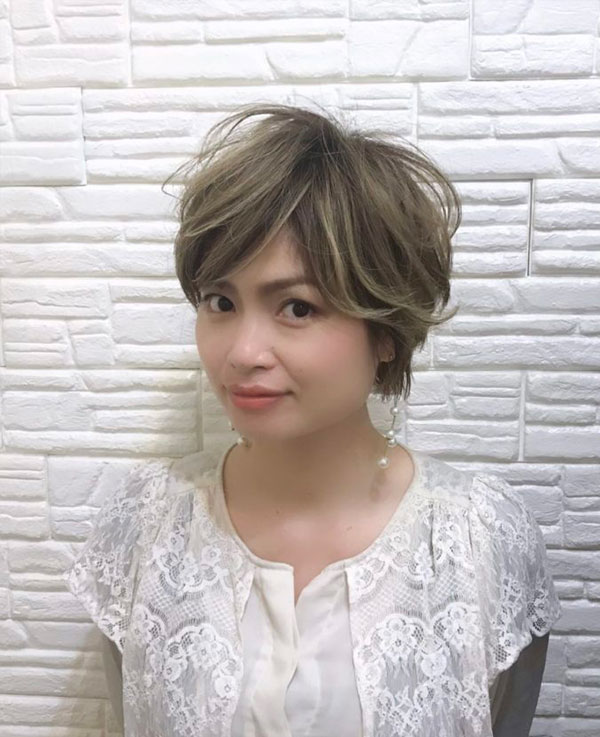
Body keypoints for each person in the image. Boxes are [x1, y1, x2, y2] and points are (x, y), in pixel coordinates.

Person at [63, 103, 562, 737]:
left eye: (297, 307)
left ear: (386, 330)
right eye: (220, 301)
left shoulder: (481, 541)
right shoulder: (144, 528)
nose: (243, 352)